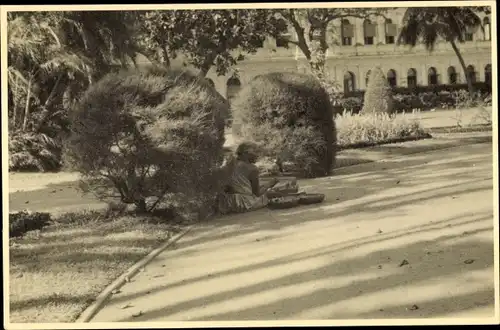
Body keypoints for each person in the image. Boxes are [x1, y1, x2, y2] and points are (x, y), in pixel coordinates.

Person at [217, 142, 297, 214]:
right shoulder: (252, 168)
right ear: (246, 153)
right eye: (255, 152)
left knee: (273, 189)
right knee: (273, 193)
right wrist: (271, 184)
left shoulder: (229, 163)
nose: (258, 155)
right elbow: (257, 193)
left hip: (226, 203)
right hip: (244, 203)